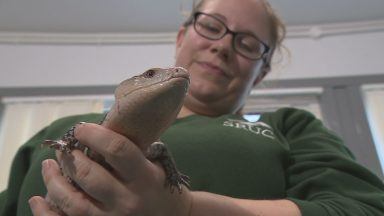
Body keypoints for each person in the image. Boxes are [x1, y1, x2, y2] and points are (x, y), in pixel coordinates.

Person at [1, 0, 384, 215]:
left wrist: (187, 210)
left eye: (249, 43)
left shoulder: (288, 126)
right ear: (183, 36)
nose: (222, 46)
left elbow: (363, 211)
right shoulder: (63, 127)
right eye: (211, 26)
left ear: (261, 72)